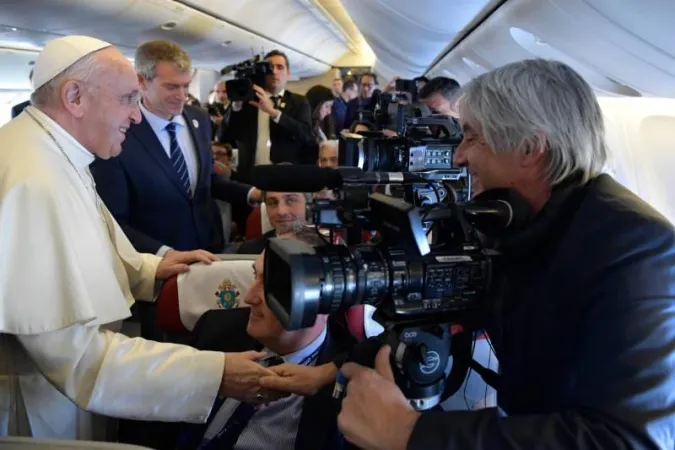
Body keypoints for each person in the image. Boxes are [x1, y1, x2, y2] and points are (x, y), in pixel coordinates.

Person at [262, 59, 675, 449]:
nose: (460, 156)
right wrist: (329, 371)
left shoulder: (640, 253)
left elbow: (626, 440)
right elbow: (440, 307)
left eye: (473, 137)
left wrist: (411, 434)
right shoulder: (518, 222)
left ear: (531, 148)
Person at [0, 35, 278, 440]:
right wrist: (212, 373)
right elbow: (77, 359)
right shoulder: (33, 180)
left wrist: (149, 267)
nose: (135, 116)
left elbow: (92, 238)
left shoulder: (53, 152)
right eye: (128, 99)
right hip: (41, 399)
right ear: (74, 96)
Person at [170, 229, 355, 449]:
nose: (249, 297)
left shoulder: (351, 380)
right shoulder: (216, 328)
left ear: (326, 300)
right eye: (255, 276)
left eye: (272, 288)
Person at [91, 40, 257, 256]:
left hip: (211, 248)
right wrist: (165, 253)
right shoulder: (117, 135)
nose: (182, 95)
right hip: (160, 263)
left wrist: (253, 193)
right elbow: (114, 221)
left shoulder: (199, 119)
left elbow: (206, 181)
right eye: (171, 87)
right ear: (141, 81)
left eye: (186, 85)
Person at [219, 50, 314, 183]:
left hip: (285, 177)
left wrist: (273, 113)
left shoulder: (298, 102)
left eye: (280, 67)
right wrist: (235, 107)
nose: (274, 72)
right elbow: (225, 137)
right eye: (270, 67)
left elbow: (307, 135)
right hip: (251, 177)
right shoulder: (248, 102)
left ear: (288, 74)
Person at [237, 190, 311, 255]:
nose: (281, 212)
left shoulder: (321, 246)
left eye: (291, 200)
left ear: (308, 204)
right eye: (272, 202)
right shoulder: (249, 251)